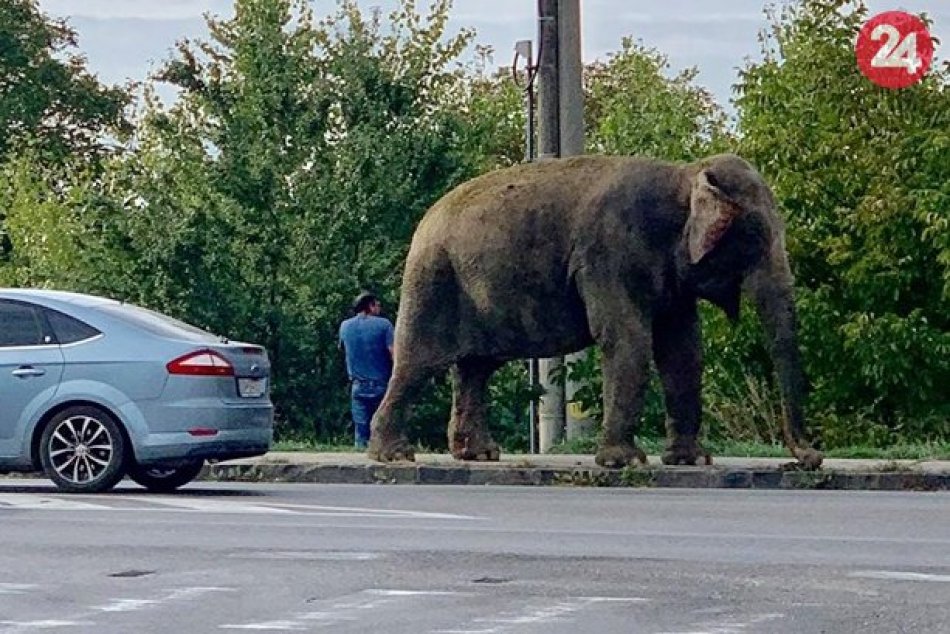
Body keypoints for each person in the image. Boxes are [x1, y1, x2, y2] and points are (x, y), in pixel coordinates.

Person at [338, 291, 395, 448]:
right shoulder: (384, 325)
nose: (379, 309)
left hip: (357, 385)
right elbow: (393, 353)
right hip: (381, 384)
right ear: (370, 306)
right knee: (382, 431)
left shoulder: (345, 326)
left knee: (361, 432)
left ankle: (361, 459)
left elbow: (344, 350)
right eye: (377, 305)